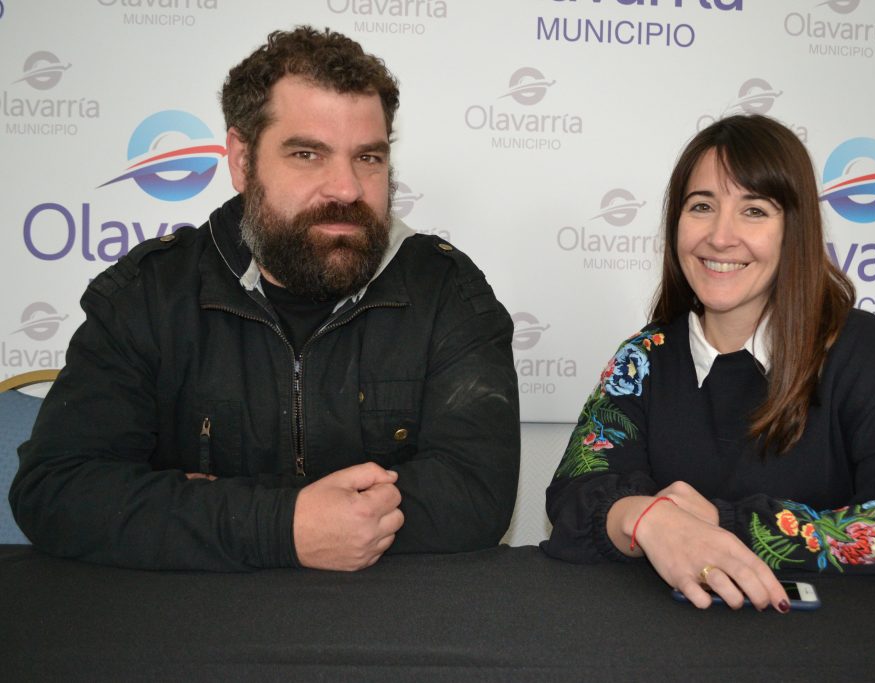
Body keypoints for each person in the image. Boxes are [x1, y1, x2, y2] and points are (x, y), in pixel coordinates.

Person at [10, 27, 520, 572]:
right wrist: (285, 525)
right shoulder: (150, 293)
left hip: (389, 617)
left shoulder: (444, 289)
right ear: (241, 160)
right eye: (307, 154)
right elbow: (59, 490)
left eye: (368, 157)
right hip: (190, 618)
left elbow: (475, 496)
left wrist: (207, 505)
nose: (347, 188)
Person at [542, 115, 875, 612]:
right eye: (701, 206)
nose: (720, 236)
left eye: (754, 210)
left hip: (826, 642)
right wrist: (649, 521)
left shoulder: (858, 349)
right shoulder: (643, 359)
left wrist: (723, 526)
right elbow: (573, 499)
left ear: (794, 231)